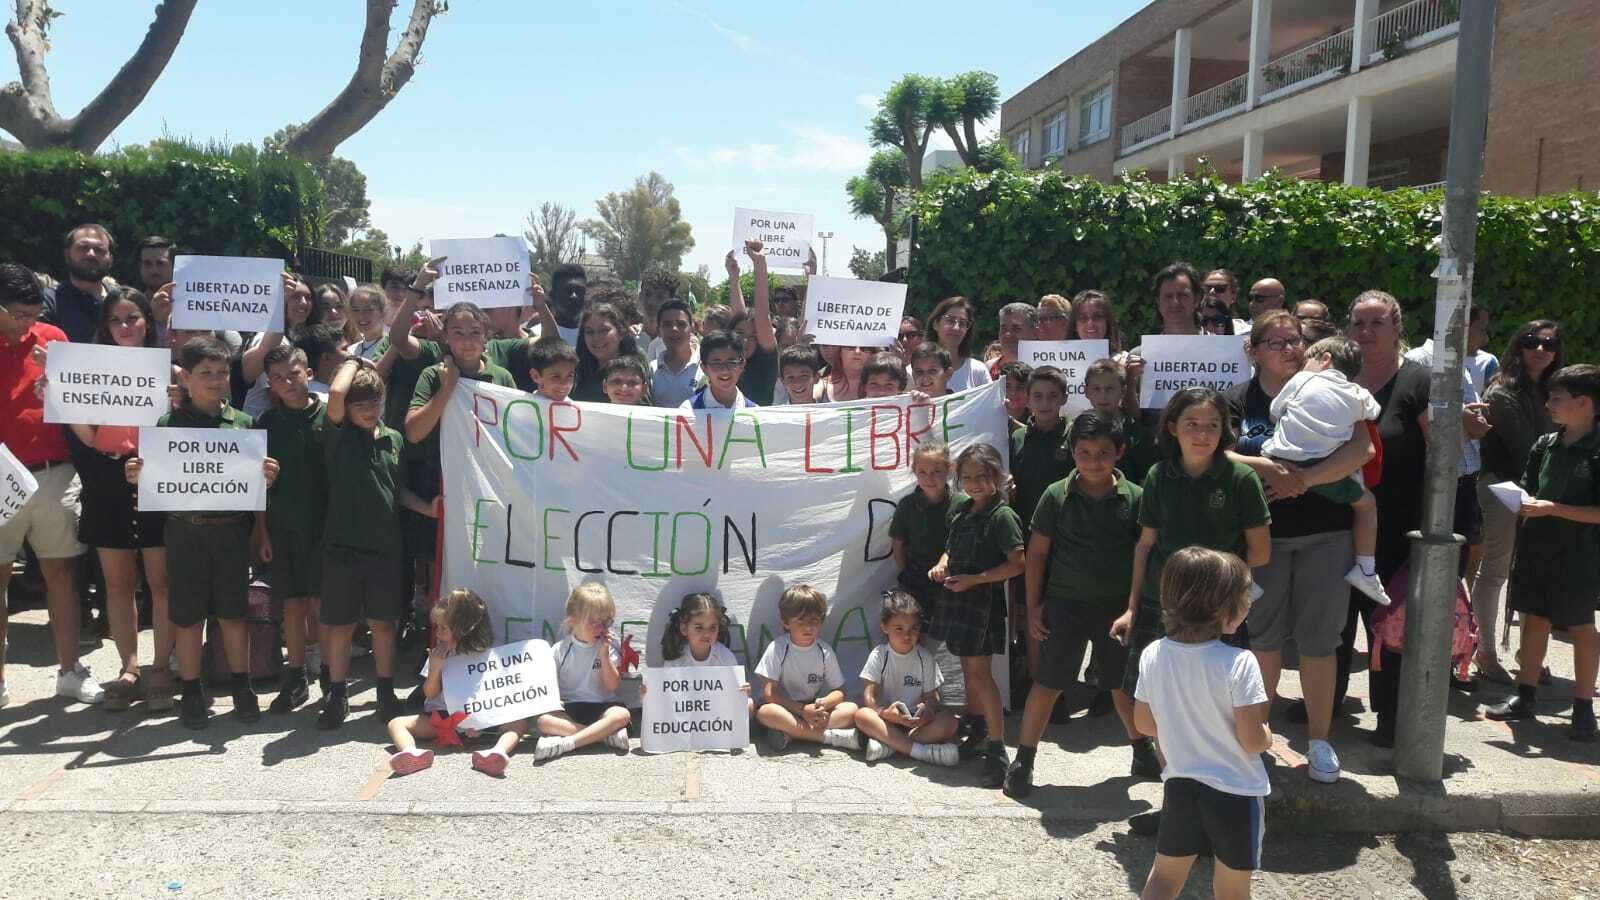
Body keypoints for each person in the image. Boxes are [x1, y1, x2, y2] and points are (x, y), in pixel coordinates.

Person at [1224, 311, 1373, 784]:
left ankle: (1320, 741)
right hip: (1262, 539)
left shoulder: (1332, 386)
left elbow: (1362, 451)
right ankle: (1257, 738)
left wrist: (1304, 479)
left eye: (1296, 340)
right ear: (1253, 350)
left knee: (1320, 641)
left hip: (1328, 534)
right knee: (1263, 640)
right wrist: (1268, 469)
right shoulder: (1236, 399)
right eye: (1277, 342)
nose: (1290, 349)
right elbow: (1217, 452)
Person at [126, 336, 280, 728]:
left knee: (233, 613)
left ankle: (242, 685)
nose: (215, 380)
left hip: (231, 532)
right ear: (187, 378)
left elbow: (256, 490)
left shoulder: (243, 424)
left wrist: (267, 479)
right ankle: (192, 690)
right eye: (205, 373)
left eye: (222, 372)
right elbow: (155, 476)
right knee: (188, 616)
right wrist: (138, 473)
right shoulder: (168, 425)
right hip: (185, 531)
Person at [1111, 387, 1271, 758]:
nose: (1202, 434)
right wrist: (1132, 608)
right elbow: (1145, 545)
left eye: (1213, 425)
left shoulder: (1241, 478)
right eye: (1192, 424)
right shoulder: (1157, 476)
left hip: (1219, 608)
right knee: (1159, 698)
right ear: (1172, 427)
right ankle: (1172, 774)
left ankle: (1223, 770)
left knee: (1220, 695)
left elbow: (1260, 553)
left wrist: (1222, 589)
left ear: (1225, 430)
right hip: (1161, 604)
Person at [1006, 412, 1148, 798]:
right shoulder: (1056, 495)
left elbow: (1143, 554)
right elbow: (1037, 553)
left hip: (1116, 608)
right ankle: (1024, 760)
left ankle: (1141, 750)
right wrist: (1033, 606)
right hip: (1064, 605)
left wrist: (1133, 607)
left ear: (1119, 452)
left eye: (1103, 452)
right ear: (1072, 452)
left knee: (1122, 684)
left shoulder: (1136, 497)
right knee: (1047, 683)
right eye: (1084, 452)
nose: (1093, 461)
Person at [52, 289, 170, 710]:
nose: (124, 326)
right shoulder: (87, 372)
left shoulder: (169, 369)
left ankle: (162, 669)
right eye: (115, 319)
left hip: (159, 477)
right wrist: (61, 398)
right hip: (107, 480)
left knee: (162, 583)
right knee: (117, 584)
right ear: (105, 325)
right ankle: (129, 668)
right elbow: (88, 438)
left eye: (132, 317)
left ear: (147, 322)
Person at [1133, 547, 1271, 900]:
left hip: (1181, 786)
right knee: (1232, 890)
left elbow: (1144, 723)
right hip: (1236, 791)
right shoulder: (1240, 662)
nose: (1250, 602)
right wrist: (1268, 736)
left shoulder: (1153, 654)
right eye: (1245, 597)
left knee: (1164, 878)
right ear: (1226, 611)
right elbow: (1252, 741)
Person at [0, 263, 101, 707]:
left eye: (32, 313)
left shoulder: (54, 339)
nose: (28, 323)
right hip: (2, 476)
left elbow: (84, 401)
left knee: (63, 574)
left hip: (54, 472)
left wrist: (58, 380)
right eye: (18, 314)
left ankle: (69, 671)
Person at [1485, 364, 1600, 741]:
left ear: (1584, 402)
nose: (1548, 403)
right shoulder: (1546, 444)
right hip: (1538, 546)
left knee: (1581, 626)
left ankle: (1583, 708)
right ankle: (1525, 693)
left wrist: (1553, 509)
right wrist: (1521, 501)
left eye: (1557, 397)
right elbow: (1529, 490)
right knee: (1534, 619)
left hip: (1581, 553)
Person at [321, 356, 431, 729]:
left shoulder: (393, 438)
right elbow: (336, 393)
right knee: (340, 626)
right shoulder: (337, 434)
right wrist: (353, 361)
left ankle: (385, 691)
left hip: (385, 548)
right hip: (343, 546)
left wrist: (428, 508)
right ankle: (337, 695)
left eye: (374, 402)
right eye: (360, 405)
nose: (368, 411)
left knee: (384, 624)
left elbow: (397, 491)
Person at [1259, 336, 1389, 605]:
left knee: (1251, 501)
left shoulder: (1301, 380)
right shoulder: (1358, 392)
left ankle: (1247, 574)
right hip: (1328, 472)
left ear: (1325, 359)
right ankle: (1366, 569)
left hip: (1280, 462)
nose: (1301, 365)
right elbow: (1373, 412)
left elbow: (1274, 411)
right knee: (1367, 505)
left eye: (1307, 360)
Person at [927, 443, 1026, 787]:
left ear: (996, 476)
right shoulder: (963, 510)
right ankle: (980, 732)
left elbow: (1017, 564)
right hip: (960, 601)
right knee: (969, 674)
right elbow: (950, 548)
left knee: (982, 677)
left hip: (982, 604)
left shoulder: (1003, 516)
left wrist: (975, 580)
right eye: (967, 478)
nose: (974, 484)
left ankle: (998, 752)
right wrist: (943, 564)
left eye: (982, 477)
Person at [1471, 320, 1561, 683]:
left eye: (1549, 344)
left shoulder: (1556, 390)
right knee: (1495, 569)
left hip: (1545, 492)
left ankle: (1530, 654)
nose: (1540, 349)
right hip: (1504, 487)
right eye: (1532, 341)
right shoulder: (1502, 390)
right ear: (1518, 345)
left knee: (1533, 572)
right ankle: (1485, 651)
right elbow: (1526, 447)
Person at [255, 344, 329, 714]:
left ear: (309, 374)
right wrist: (263, 533)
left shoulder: (331, 415)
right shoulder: (267, 423)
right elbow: (256, 487)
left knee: (322, 604)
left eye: (294, 374)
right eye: (278, 378)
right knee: (292, 604)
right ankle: (296, 676)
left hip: (325, 527)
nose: (288, 383)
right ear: (270, 384)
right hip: (284, 526)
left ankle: (331, 675)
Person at [387, 589, 530, 775]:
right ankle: (411, 753)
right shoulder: (438, 654)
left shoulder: (486, 654)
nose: (437, 633)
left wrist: (479, 721)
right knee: (396, 723)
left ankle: (497, 752)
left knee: (519, 724)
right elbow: (430, 693)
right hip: (442, 718)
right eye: (436, 626)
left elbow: (493, 692)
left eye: (443, 628)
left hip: (479, 716)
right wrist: (435, 667)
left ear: (463, 629)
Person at [852, 590, 962, 766]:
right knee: (861, 715)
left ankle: (890, 745)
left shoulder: (925, 657)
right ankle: (920, 752)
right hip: (887, 721)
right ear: (884, 627)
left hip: (916, 726)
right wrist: (884, 713)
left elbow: (933, 697)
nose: (907, 635)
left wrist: (927, 711)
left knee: (950, 721)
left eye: (913, 629)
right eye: (899, 628)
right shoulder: (879, 654)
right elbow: (869, 696)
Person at [754, 585, 860, 752]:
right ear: (786, 622)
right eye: (801, 621)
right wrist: (802, 711)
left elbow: (840, 691)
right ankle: (828, 737)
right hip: (786, 707)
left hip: (812, 708)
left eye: (814, 621)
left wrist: (824, 704)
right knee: (765, 713)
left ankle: (791, 734)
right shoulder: (777, 648)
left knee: (851, 710)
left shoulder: (824, 651)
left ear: (821, 621)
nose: (808, 627)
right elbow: (769, 693)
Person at [532, 583, 633, 760]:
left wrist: (604, 655)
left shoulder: (609, 646)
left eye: (607, 622)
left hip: (602, 707)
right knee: (543, 721)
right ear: (573, 621)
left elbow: (612, 686)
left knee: (621, 715)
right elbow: (548, 691)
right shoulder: (559, 650)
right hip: (571, 708)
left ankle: (566, 743)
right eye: (595, 623)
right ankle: (603, 737)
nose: (602, 628)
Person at [1082, 359, 1160, 484]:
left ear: (1123, 391)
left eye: (1110, 389)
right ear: (1086, 392)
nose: (1103, 396)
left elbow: (1146, 485)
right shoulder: (1077, 432)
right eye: (1096, 389)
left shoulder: (1140, 437)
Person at [42, 223, 116, 344]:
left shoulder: (122, 301)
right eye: (83, 248)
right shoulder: (49, 301)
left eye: (99, 250)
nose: (91, 254)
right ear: (67, 255)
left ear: (110, 259)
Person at [725, 242, 780, 406]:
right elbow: (739, 317)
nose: (745, 341)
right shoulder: (724, 361)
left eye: (753, 336)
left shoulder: (766, 361)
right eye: (740, 334)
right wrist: (734, 277)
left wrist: (760, 264)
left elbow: (762, 317)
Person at [924, 296, 991, 393]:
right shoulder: (915, 371)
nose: (956, 328)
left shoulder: (978, 371)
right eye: (950, 320)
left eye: (962, 323)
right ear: (936, 324)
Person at [682, 331, 757, 410]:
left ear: (742, 365)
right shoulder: (688, 411)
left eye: (731, 362)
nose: (724, 370)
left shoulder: (756, 413)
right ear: (704, 368)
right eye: (716, 364)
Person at [649, 299, 700, 408]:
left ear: (692, 328)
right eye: (667, 324)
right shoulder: (651, 370)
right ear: (658, 330)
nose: (674, 329)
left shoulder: (706, 368)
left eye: (681, 324)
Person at [135, 236, 176, 347]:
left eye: (161, 263)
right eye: (147, 263)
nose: (154, 270)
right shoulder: (130, 308)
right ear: (140, 267)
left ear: (173, 266)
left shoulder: (191, 307)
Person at [988, 302, 1038, 378]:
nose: (1007, 334)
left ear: (1034, 333)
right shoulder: (988, 369)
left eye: (1016, 328)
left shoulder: (1045, 370)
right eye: (1003, 328)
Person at [528, 338, 579, 403]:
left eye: (570, 376)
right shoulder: (521, 407)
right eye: (556, 376)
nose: (564, 384)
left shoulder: (577, 408)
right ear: (535, 376)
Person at [345, 285, 388, 361]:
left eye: (369, 310)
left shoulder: (390, 347)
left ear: (383, 312)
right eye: (356, 310)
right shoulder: (350, 350)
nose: (361, 316)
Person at [999, 360, 1032, 430]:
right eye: (1007, 386)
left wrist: (1010, 421)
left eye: (1020, 387)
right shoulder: (990, 416)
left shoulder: (1039, 417)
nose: (1013, 393)